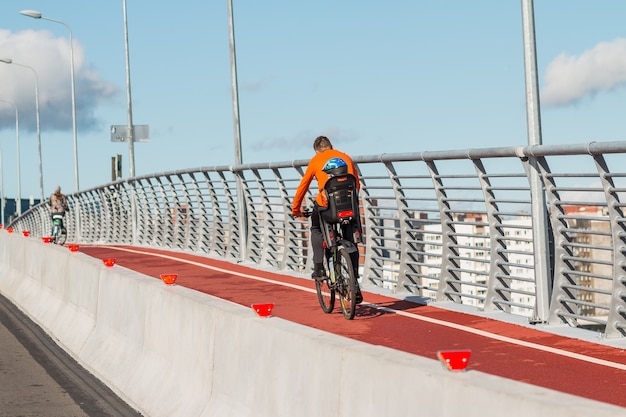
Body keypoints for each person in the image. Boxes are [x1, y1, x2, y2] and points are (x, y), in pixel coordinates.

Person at [292, 136, 363, 303]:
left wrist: (296, 210)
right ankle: (354, 284)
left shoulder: (316, 160)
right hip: (349, 206)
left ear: (316, 150)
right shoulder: (346, 157)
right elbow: (356, 183)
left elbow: (303, 186)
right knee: (351, 241)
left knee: (316, 228)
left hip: (327, 209)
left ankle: (319, 268)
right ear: (332, 147)